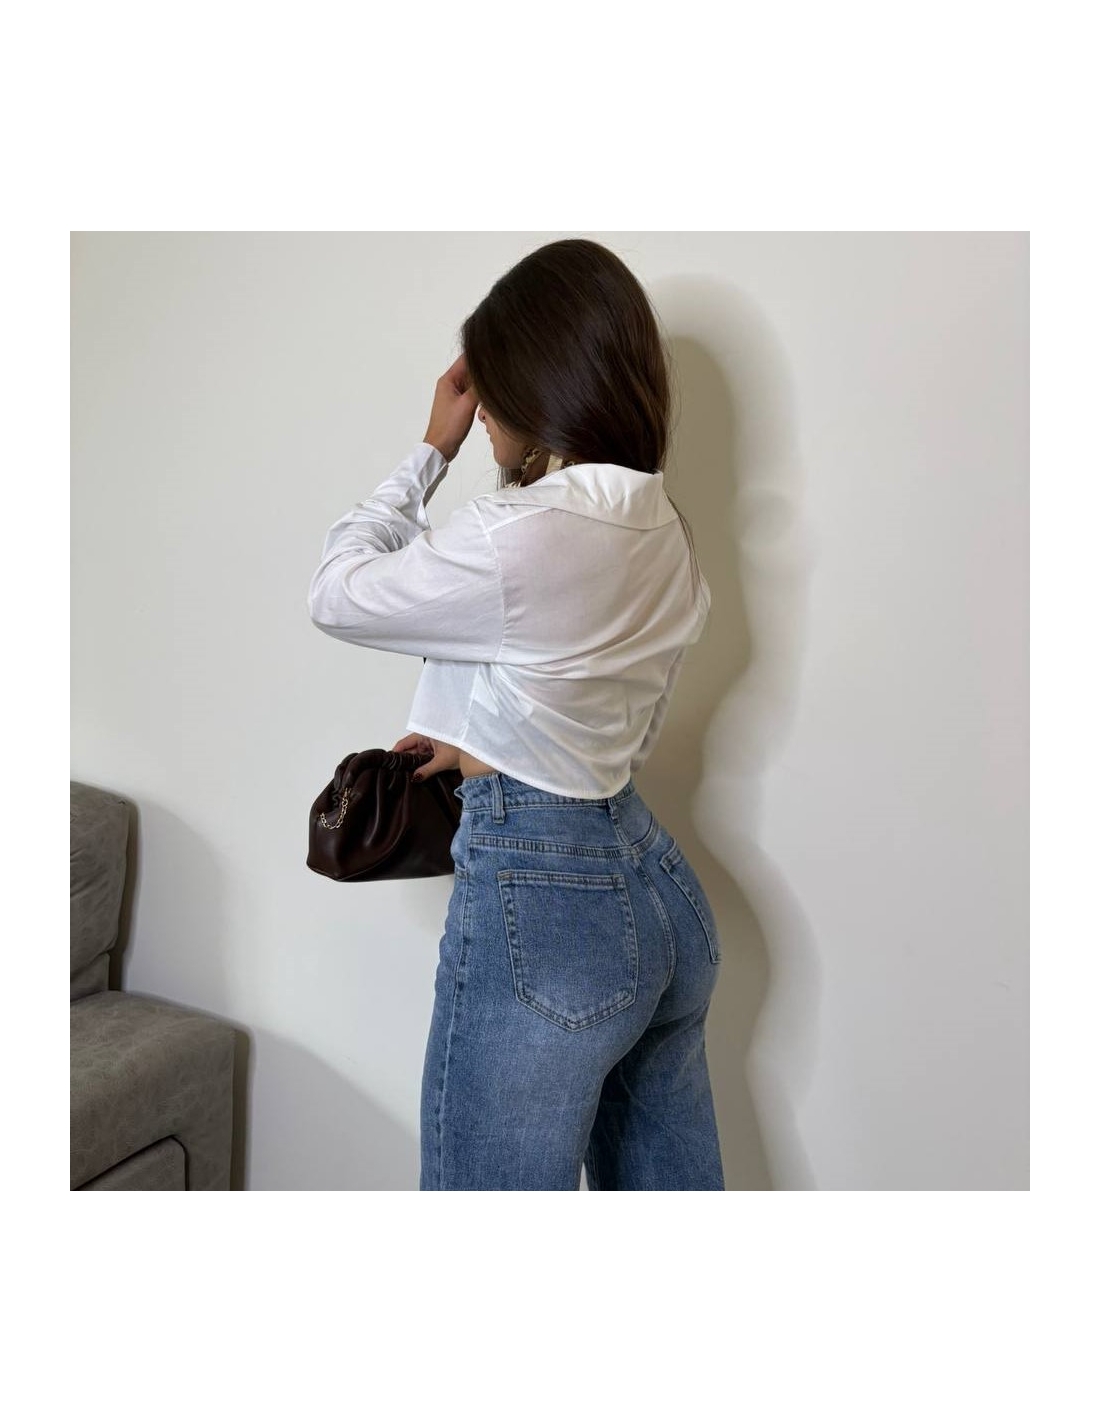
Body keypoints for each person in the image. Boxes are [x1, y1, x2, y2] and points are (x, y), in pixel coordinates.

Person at [307, 238, 724, 1190]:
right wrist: (479, 738)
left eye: (491, 387)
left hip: (548, 911)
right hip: (656, 887)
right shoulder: (667, 531)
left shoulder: (516, 530)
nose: (483, 408)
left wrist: (432, 449)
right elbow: (613, 719)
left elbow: (335, 593)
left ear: (537, 385)